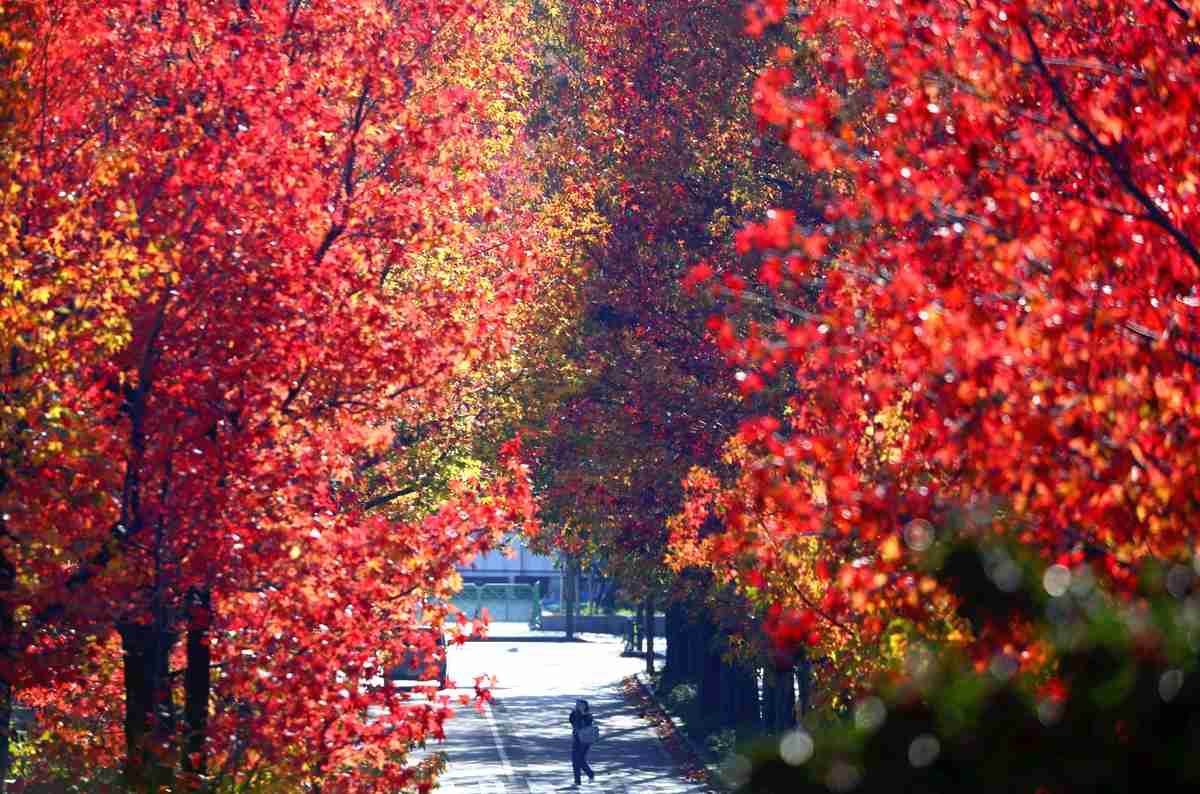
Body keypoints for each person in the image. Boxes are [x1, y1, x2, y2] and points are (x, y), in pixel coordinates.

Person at [568, 698, 595, 785]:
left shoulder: (588, 715)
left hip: (585, 741)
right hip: (576, 739)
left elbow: (587, 724)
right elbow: (571, 721)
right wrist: (575, 713)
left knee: (579, 760)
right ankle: (578, 780)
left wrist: (583, 714)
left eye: (581, 705)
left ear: (585, 706)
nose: (579, 706)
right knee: (576, 760)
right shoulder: (574, 714)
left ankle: (588, 774)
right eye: (577, 705)